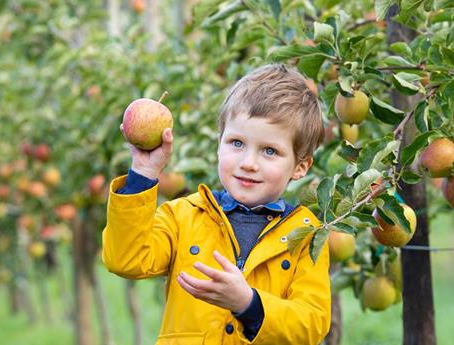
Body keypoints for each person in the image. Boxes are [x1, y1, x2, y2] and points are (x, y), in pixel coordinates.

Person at [102, 64, 331, 344]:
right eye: (236, 143)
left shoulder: (306, 234)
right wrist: (143, 173)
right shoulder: (183, 216)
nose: (248, 163)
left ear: (300, 166)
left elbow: (312, 323)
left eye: (269, 151)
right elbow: (126, 259)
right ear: (218, 143)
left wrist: (248, 304)